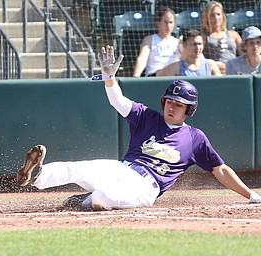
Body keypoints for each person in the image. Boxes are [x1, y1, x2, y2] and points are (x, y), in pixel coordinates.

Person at [16, 45, 261, 211]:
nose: (171, 107)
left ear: (190, 110)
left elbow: (221, 170)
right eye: (169, 102)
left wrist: (250, 195)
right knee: (77, 168)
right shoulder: (148, 117)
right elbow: (118, 101)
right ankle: (37, 176)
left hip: (146, 187)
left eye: (179, 105)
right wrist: (109, 78)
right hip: (122, 169)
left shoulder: (195, 138)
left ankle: (86, 201)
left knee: (104, 197)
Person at [133, 7, 181, 77]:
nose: (168, 26)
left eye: (171, 22)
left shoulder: (178, 42)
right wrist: (136, 76)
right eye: (165, 22)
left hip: (175, 78)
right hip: (155, 76)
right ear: (158, 23)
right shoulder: (149, 40)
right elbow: (142, 58)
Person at [201, 1, 243, 74]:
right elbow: (199, 58)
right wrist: (213, 65)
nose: (216, 18)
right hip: (214, 72)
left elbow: (244, 55)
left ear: (222, 16)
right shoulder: (203, 36)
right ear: (207, 18)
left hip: (234, 71)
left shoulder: (233, 34)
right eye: (212, 15)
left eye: (218, 14)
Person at [156, 30, 221, 76]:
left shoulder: (211, 65)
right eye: (194, 44)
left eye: (200, 44)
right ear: (185, 45)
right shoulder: (176, 67)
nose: (198, 47)